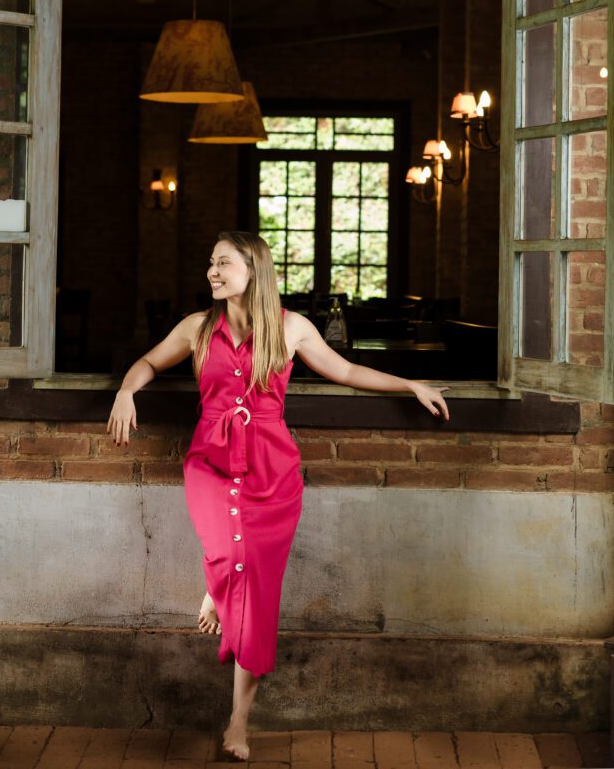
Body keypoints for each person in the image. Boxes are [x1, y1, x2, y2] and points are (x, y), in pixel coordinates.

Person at [107, 230, 449, 762]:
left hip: (273, 471)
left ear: (252, 268)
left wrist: (411, 386)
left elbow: (347, 370)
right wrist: (128, 390)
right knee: (226, 551)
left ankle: (237, 722)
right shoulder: (197, 327)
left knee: (258, 598)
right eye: (210, 263)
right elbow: (148, 362)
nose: (212, 273)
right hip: (211, 463)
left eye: (222, 263)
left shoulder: (291, 329)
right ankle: (221, 583)